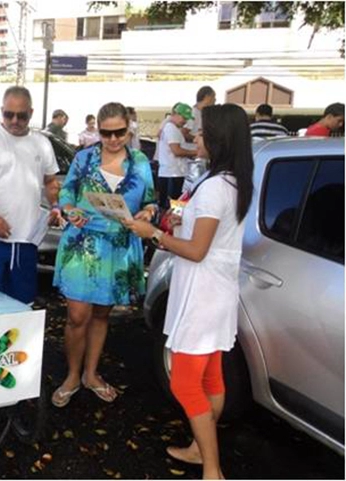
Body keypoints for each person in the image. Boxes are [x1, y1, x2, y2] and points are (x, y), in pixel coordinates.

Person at [124, 103, 254, 480]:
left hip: (201, 295)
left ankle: (212, 469)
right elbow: (207, 240)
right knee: (212, 376)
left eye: (200, 131)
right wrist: (179, 223)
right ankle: (201, 449)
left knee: (184, 381)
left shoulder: (215, 187)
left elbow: (197, 251)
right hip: (219, 292)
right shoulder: (235, 182)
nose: (193, 136)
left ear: (218, 138)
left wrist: (157, 235)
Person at [51, 102, 156, 408]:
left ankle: (91, 373)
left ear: (128, 129)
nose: (112, 139)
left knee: (100, 314)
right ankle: (72, 375)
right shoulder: (84, 158)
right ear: (97, 129)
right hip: (82, 243)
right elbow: (66, 192)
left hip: (118, 245)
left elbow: (151, 200)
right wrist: (69, 210)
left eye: (119, 132)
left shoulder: (139, 162)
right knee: (77, 315)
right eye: (106, 133)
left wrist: (147, 213)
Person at [0, 86, 60, 305]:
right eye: (9, 114)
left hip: (27, 238)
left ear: (31, 113)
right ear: (2, 111)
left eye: (22, 116)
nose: (15, 120)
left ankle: (22, 341)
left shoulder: (42, 143)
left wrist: (56, 206)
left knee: (22, 303)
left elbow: (50, 181)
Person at [157, 103, 198, 210]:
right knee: (173, 207)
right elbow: (176, 151)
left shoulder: (173, 128)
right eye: (183, 117)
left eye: (186, 118)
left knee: (174, 205)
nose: (184, 121)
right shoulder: (171, 128)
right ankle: (166, 225)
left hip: (173, 172)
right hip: (172, 173)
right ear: (175, 114)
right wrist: (195, 152)